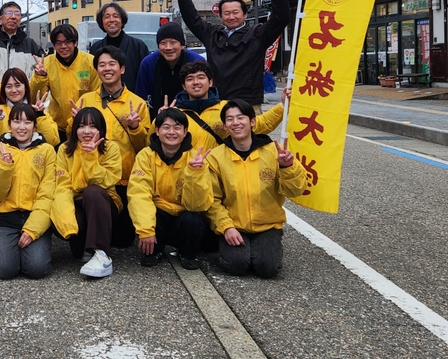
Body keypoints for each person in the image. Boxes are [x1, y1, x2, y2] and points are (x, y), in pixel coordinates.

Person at [205, 100, 310, 278]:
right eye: (230, 119)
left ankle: (264, 248)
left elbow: (296, 190)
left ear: (252, 122)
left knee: (267, 269)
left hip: (268, 225)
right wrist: (226, 227)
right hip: (234, 225)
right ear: (224, 125)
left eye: (241, 117)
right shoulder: (216, 157)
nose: (235, 123)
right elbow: (212, 200)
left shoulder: (274, 152)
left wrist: (288, 167)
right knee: (236, 266)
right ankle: (232, 248)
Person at [176, 0, 289, 109]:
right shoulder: (213, 34)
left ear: (245, 14)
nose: (231, 17)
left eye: (235, 12)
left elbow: (280, 19)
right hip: (215, 102)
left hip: (248, 103)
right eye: (227, 13)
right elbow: (192, 19)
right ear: (221, 16)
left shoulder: (257, 34)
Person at [74, 46, 150, 248]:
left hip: (124, 177)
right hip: (90, 174)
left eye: (112, 64)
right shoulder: (86, 100)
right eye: (102, 65)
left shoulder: (138, 103)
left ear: (122, 69)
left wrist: (135, 127)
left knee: (122, 240)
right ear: (96, 70)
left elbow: (144, 146)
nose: (107, 69)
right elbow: (72, 140)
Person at [127, 108, 212, 270]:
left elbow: (197, 205)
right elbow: (138, 193)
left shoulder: (196, 158)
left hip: (184, 216)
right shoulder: (146, 155)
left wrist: (195, 173)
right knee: (151, 210)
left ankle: (187, 252)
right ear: (157, 131)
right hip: (159, 217)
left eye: (177, 127)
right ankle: (154, 250)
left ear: (185, 131)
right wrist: (146, 230)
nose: (171, 132)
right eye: (166, 127)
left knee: (193, 219)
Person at [0, 103, 58, 279]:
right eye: (16, 121)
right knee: (5, 270)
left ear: (35, 126)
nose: (22, 127)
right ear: (9, 125)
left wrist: (32, 230)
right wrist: (4, 166)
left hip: (34, 215)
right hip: (3, 217)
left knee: (37, 269)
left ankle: (31, 244)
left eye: (27, 122)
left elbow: (47, 195)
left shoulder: (46, 151)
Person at [53, 107, 121, 279]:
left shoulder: (110, 148)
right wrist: (66, 221)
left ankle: (102, 254)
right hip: (75, 201)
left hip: (103, 202)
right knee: (77, 252)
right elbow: (61, 185)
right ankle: (83, 245)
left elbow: (107, 181)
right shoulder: (65, 149)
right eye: (82, 126)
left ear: (101, 129)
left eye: (93, 126)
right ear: (75, 129)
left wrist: (90, 157)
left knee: (92, 192)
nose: (87, 131)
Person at [173, 61, 287, 151]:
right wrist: (160, 118)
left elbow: (260, 125)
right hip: (189, 175)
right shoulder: (174, 114)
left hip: (221, 174)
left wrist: (283, 105)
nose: (196, 82)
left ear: (210, 82)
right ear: (184, 85)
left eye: (201, 77)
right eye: (190, 79)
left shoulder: (228, 107)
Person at [29, 23, 100, 140]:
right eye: (59, 43)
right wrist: (40, 77)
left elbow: (97, 94)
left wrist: (86, 117)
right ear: (54, 45)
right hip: (58, 126)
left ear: (75, 43)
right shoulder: (46, 64)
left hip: (85, 126)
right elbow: (34, 98)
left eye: (67, 42)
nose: (63, 46)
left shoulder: (90, 62)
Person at [0, 68, 59, 151]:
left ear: (26, 87)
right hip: (4, 161)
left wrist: (40, 115)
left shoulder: (37, 110)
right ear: (4, 89)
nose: (13, 90)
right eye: (9, 86)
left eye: (18, 85)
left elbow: (51, 141)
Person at [135, 22, 206, 112]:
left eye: (173, 42)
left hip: (193, 116)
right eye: (163, 43)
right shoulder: (148, 63)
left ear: (182, 45)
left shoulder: (196, 61)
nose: (168, 47)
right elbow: (141, 97)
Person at [88, 3, 149, 92]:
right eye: (107, 17)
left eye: (115, 16)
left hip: (132, 101)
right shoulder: (95, 48)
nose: (111, 20)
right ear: (102, 22)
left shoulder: (138, 46)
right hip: (101, 101)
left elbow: (145, 77)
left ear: (122, 20)